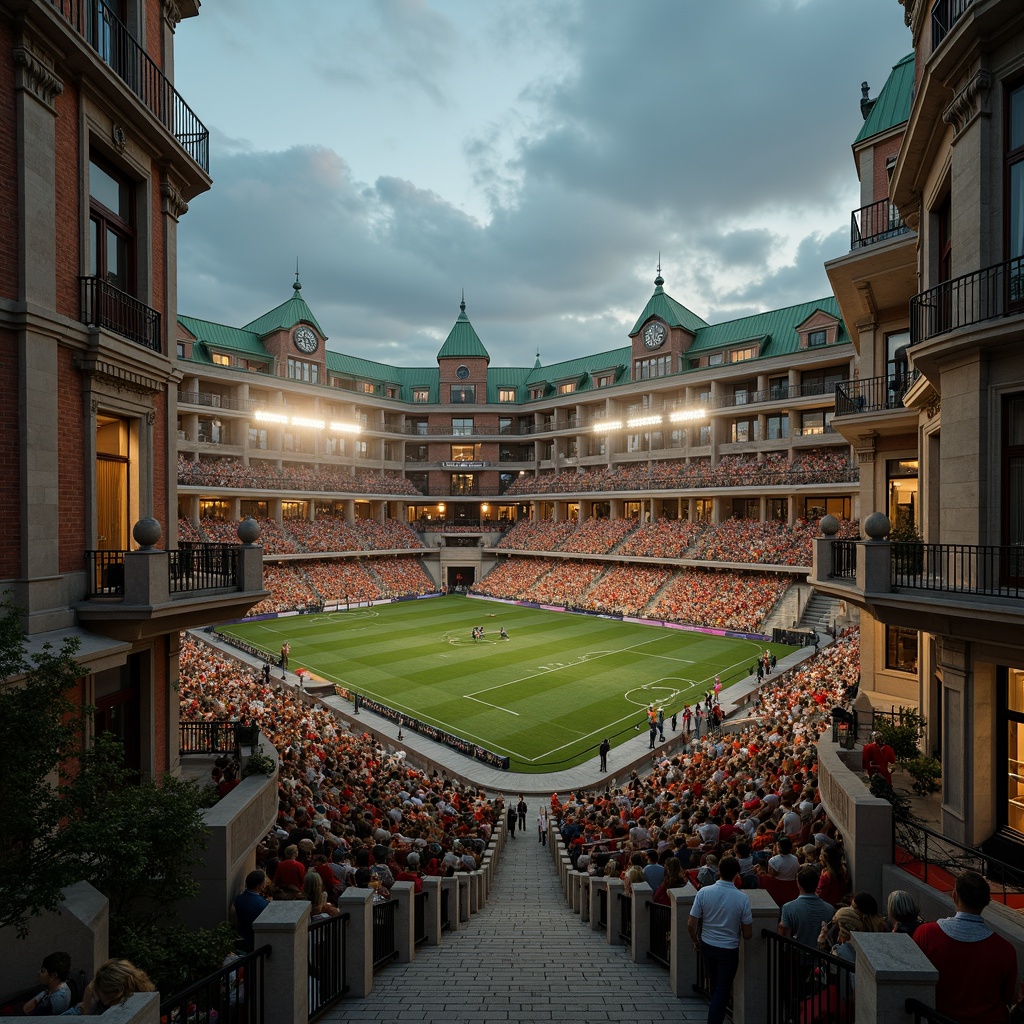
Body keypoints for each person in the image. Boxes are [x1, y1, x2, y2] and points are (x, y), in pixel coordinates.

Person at [913, 870, 1018, 1024]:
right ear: (986, 902)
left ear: (954, 895)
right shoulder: (1006, 950)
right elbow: (1008, 997)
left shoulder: (926, 935)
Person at [687, 856, 753, 1024]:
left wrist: (696, 940)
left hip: (708, 945)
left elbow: (691, 923)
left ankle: (714, 1011)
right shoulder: (742, 898)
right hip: (729, 949)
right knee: (722, 990)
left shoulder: (704, 892)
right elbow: (747, 934)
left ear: (719, 872)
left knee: (715, 986)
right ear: (737, 874)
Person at [61, 958, 154, 1016]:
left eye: (99, 998)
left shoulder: (116, 1014)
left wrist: (85, 1011)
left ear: (117, 993)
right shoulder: (142, 1001)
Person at [778, 865, 834, 945]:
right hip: (821, 955)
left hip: (796, 954)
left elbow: (785, 937)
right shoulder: (830, 909)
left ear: (798, 883)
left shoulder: (788, 908)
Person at [23, 952, 73, 1016]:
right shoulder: (53, 988)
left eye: (42, 971)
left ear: (53, 976)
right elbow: (26, 1009)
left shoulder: (58, 999)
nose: (39, 973)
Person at [233, 869, 271, 953]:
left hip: (243, 936)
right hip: (255, 940)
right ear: (259, 886)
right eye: (264, 882)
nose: (265, 884)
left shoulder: (239, 899)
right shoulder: (263, 905)